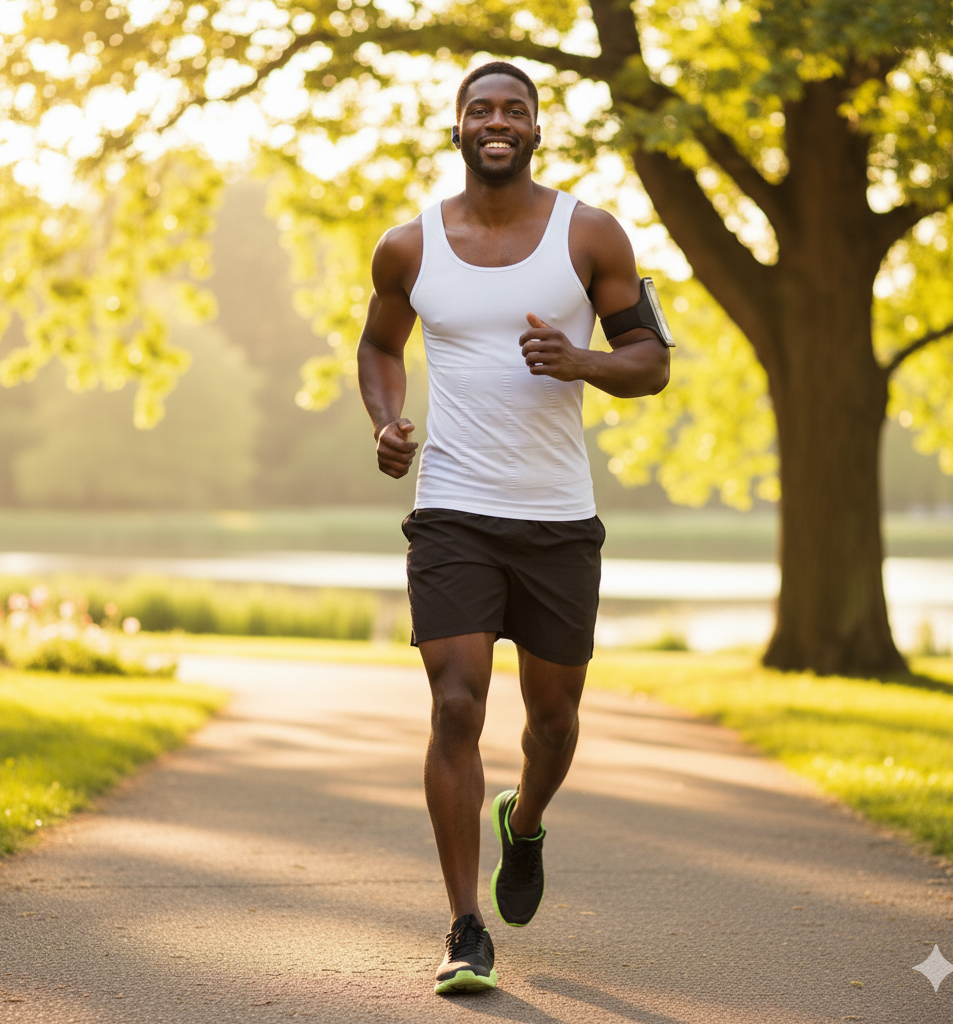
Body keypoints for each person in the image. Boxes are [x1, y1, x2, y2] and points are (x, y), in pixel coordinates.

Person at [356, 61, 671, 995]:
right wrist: (384, 420)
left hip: (557, 519)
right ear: (455, 128)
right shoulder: (410, 247)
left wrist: (579, 361)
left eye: (516, 111)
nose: (499, 122)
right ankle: (464, 926)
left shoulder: (590, 233)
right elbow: (379, 346)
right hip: (453, 507)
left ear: (538, 129)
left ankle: (523, 822)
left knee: (554, 721)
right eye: (481, 110)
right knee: (457, 702)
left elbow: (651, 361)